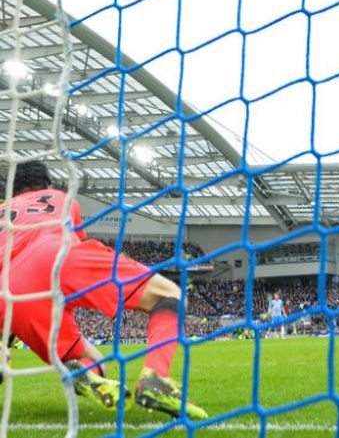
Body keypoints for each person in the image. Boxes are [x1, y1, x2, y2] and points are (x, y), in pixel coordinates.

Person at [0, 161, 207, 419]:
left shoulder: (2, 211)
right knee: (168, 293)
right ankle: (156, 377)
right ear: (46, 184)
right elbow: (74, 249)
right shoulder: (59, 198)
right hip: (56, 257)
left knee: (94, 360)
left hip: (8, 289)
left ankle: (79, 373)